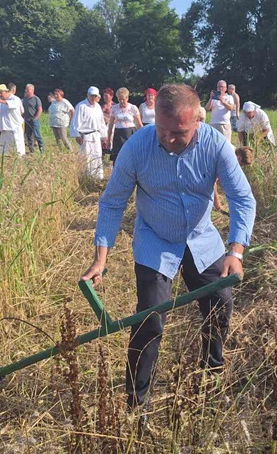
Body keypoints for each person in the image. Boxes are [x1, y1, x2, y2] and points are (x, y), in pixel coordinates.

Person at [80, 84, 256, 413]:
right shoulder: (137, 147)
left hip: (200, 237)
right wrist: (100, 259)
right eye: (162, 130)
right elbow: (112, 203)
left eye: (178, 133)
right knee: (150, 319)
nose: (168, 139)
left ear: (197, 122)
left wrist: (236, 252)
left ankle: (212, 371)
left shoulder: (216, 146)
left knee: (220, 303)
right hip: (156, 239)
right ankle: (137, 399)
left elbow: (242, 199)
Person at [71, 86, 107, 180]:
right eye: (91, 96)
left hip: (96, 135)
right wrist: (77, 135)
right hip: (85, 136)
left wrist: (104, 136)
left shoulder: (98, 107)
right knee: (86, 157)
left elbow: (101, 122)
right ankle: (85, 178)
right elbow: (76, 121)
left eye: (95, 96)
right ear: (88, 95)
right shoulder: (81, 106)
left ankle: (97, 177)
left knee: (97, 156)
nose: (93, 98)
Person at [107, 87, 143, 164]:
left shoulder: (133, 108)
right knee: (118, 156)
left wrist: (143, 136)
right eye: (119, 99)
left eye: (123, 99)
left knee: (130, 156)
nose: (121, 101)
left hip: (130, 133)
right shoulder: (114, 108)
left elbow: (139, 124)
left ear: (127, 98)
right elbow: (110, 124)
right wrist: (109, 139)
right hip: (118, 134)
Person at [0, 83, 26, 156]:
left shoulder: (15, 99)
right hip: (3, 128)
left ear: (6, 92)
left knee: (17, 147)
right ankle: (7, 160)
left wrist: (2, 102)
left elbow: (13, 106)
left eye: (0, 93)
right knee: (4, 149)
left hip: (14, 128)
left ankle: (19, 160)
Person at [22, 84, 44, 154]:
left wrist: (36, 118)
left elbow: (40, 109)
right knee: (29, 135)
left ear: (32, 90)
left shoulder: (36, 99)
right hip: (27, 120)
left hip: (34, 120)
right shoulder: (24, 99)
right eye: (26, 89)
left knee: (37, 135)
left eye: (27, 89)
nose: (26, 91)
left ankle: (42, 149)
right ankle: (31, 150)